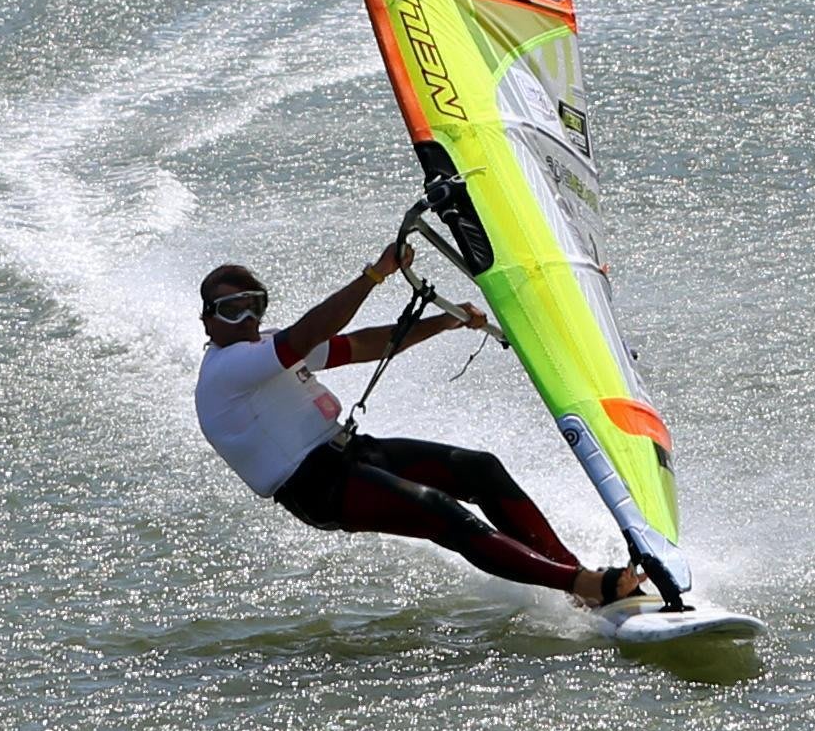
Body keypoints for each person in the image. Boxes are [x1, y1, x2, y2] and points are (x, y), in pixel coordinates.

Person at [193, 249, 645, 608]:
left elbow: (362, 345)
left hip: (349, 452)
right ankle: (582, 583)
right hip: (315, 486)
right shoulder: (227, 369)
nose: (247, 318)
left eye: (255, 305)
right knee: (439, 511)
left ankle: (578, 579)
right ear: (209, 319)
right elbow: (307, 333)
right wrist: (375, 275)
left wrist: (444, 321)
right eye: (232, 310)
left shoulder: (264, 348)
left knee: (479, 469)